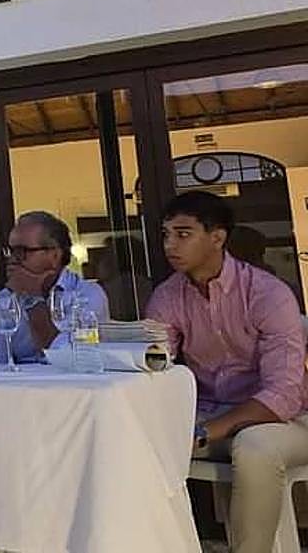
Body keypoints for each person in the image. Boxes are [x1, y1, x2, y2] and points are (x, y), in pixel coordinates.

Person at [146, 191, 308, 553]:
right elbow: (154, 366)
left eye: (183, 234)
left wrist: (202, 432)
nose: (170, 244)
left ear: (217, 238)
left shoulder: (268, 294)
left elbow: (283, 395)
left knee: (256, 445)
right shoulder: (168, 296)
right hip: (211, 415)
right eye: (166, 234)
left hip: (292, 418)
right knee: (129, 441)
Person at [0, 211, 109, 364]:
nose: (13, 259)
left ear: (55, 255)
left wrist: (31, 297)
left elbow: (65, 355)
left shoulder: (87, 294)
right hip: (21, 384)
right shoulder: (3, 299)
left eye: (22, 251)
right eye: (10, 251)